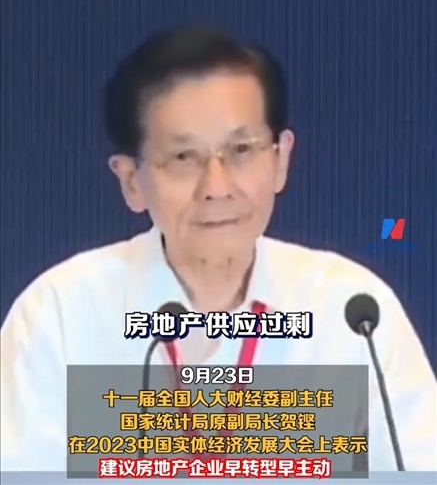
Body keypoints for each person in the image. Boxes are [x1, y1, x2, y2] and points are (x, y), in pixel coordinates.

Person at [1, 26, 436, 474]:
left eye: (242, 149)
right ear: (132, 181)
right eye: (183, 157)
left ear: (281, 159)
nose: (217, 187)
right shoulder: (61, 315)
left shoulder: (352, 313)